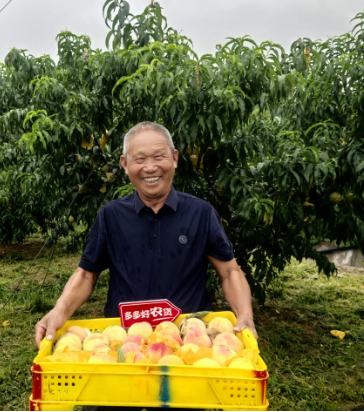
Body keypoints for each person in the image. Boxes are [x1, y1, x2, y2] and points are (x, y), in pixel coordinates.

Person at [34, 121, 258, 350]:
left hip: (190, 342)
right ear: (124, 164)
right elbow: (86, 275)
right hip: (123, 342)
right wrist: (58, 311)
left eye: (159, 157)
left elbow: (230, 271)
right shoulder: (111, 216)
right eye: (139, 159)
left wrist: (245, 315)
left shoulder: (200, 213)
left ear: (175, 158)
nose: (150, 168)